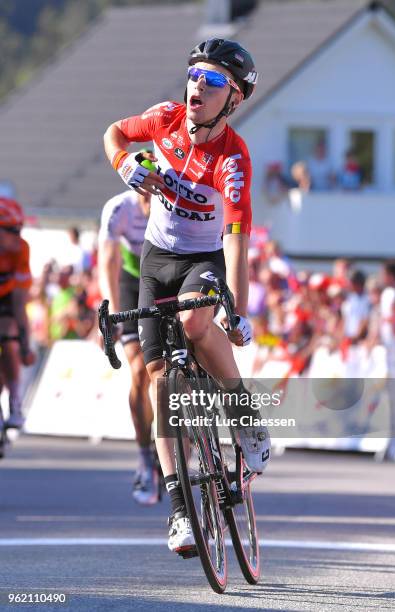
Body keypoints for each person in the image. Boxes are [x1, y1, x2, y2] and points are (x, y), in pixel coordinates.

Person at [103, 38, 271, 554]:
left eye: (215, 79)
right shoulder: (165, 119)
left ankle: (244, 417)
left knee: (199, 327)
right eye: (196, 73)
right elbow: (114, 133)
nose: (200, 84)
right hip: (156, 260)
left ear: (234, 97)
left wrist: (237, 310)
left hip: (203, 260)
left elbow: (237, 237)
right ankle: (178, 511)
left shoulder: (233, 157)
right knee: (158, 382)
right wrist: (123, 163)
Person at [98, 184, 158, 505]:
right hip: (132, 280)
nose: (149, 200)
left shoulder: (172, 199)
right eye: (144, 195)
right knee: (139, 371)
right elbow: (107, 260)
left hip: (167, 278)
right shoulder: (119, 208)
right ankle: (144, 458)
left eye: (154, 193)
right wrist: (110, 313)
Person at [0, 197, 36, 429]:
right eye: (13, 230)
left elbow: (19, 303)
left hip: (7, 298)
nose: (19, 235)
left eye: (20, 229)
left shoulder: (21, 248)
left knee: (9, 338)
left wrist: (24, 344)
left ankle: (15, 403)